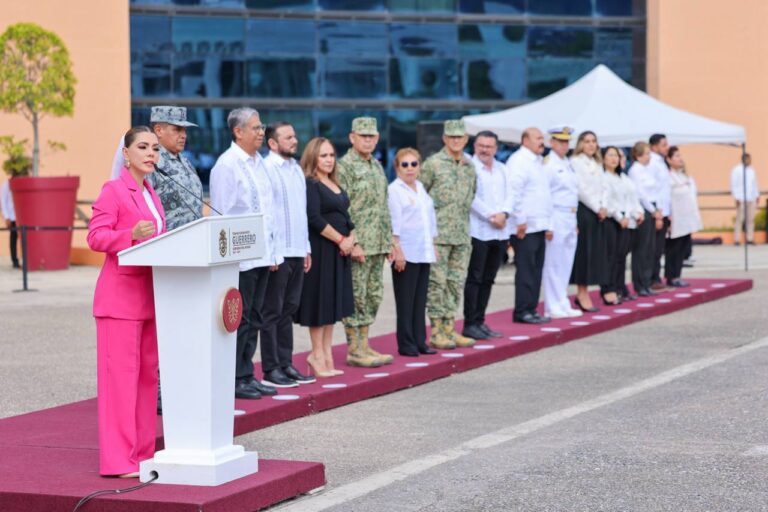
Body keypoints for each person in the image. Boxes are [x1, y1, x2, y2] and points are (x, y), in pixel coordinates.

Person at [87, 126, 165, 477]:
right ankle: (119, 461)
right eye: (144, 147)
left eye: (155, 149)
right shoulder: (114, 190)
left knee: (146, 381)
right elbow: (95, 237)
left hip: (150, 299)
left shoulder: (152, 192)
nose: (151, 154)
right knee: (120, 383)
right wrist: (128, 235)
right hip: (119, 302)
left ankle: (142, 454)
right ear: (127, 153)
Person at [209, 108, 281, 400]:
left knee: (256, 316)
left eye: (262, 127)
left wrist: (273, 253)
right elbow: (222, 214)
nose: (261, 132)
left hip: (262, 254)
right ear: (238, 132)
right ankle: (234, 378)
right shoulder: (227, 165)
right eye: (255, 128)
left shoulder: (258, 163)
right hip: (240, 259)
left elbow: (269, 212)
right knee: (239, 319)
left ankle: (247, 373)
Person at [260, 122, 315, 387]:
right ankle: (271, 369)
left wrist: (306, 247)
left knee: (289, 310)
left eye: (295, 135)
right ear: (272, 143)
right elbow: (267, 215)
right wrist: (271, 253)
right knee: (272, 310)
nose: (295, 140)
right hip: (277, 252)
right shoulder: (266, 169)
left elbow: (301, 212)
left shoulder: (296, 169)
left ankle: (286, 363)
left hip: (296, 249)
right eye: (289, 137)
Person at [337, 117, 396, 367]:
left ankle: (365, 345)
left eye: (371, 136)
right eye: (363, 136)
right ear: (352, 137)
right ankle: (354, 349)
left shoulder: (376, 166)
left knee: (373, 295)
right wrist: (354, 241)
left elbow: (383, 206)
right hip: (358, 244)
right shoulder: (344, 166)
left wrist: (390, 240)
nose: (368, 140)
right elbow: (342, 208)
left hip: (378, 243)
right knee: (357, 296)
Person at [296, 137, 355, 377]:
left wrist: (352, 238)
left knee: (332, 305)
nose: (329, 160)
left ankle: (327, 354)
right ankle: (316, 354)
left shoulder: (334, 183)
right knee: (319, 304)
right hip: (322, 250)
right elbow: (314, 218)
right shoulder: (311, 184)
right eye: (324, 156)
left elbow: (347, 216)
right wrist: (340, 240)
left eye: (331, 155)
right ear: (313, 158)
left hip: (340, 252)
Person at [420, 120, 477, 349]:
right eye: (451, 137)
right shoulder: (432, 164)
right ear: (444, 139)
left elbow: (472, 195)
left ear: (465, 140)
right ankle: (436, 331)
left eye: (460, 137)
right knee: (437, 283)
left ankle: (450, 328)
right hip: (439, 236)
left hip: (462, 234)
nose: (456, 141)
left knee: (455, 282)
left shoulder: (469, 166)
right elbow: (420, 197)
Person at [388, 148, 438, 356]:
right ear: (397, 168)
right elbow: (394, 224)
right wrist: (397, 251)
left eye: (414, 164)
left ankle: (420, 341)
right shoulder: (394, 190)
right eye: (404, 165)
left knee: (419, 300)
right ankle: (406, 343)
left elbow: (430, 219)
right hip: (405, 253)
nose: (410, 169)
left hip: (423, 250)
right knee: (406, 301)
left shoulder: (421, 187)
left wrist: (433, 244)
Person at [462, 130, 511, 338]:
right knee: (475, 278)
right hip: (478, 231)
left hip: (499, 233)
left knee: (489, 279)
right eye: (481, 145)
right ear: (475, 146)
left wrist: (505, 213)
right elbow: (470, 197)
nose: (485, 150)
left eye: (489, 146)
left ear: (496, 149)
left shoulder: (502, 169)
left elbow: (511, 194)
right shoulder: (469, 167)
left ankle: (480, 321)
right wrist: (492, 216)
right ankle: (470, 323)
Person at [507, 127, 553, 324]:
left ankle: (531, 308)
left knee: (536, 269)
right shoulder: (519, 161)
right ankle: (522, 311)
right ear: (525, 141)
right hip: (525, 226)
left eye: (542, 138)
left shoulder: (538, 161)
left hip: (539, 224)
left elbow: (544, 195)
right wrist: (520, 220)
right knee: (526, 270)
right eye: (538, 138)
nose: (542, 141)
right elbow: (514, 192)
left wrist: (548, 223)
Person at [542, 126, 581, 319]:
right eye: (561, 141)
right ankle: (552, 304)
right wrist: (548, 224)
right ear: (552, 142)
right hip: (556, 215)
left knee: (566, 262)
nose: (565, 145)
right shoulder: (548, 164)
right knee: (553, 263)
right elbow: (545, 195)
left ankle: (562, 300)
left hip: (569, 215)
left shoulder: (567, 162)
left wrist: (574, 221)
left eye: (567, 141)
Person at [146, 106, 204, 230]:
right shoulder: (150, 162)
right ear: (158, 130)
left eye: (184, 130)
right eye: (177, 130)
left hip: (195, 239)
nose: (184, 136)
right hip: (169, 241)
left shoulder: (185, 161)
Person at [602, 146, 644, 304]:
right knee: (611, 258)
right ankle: (609, 288)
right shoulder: (604, 177)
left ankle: (619, 287)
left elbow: (629, 200)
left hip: (625, 220)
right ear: (603, 158)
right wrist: (620, 217)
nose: (614, 159)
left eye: (617, 156)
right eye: (611, 155)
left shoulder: (622, 177)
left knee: (621, 258)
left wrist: (630, 215)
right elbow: (608, 201)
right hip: (613, 220)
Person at [570, 130, 606, 312]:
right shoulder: (576, 162)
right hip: (584, 210)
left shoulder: (597, 163)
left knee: (593, 254)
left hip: (598, 211)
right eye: (587, 141)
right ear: (580, 144)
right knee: (583, 254)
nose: (591, 145)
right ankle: (581, 292)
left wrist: (603, 205)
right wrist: (596, 206)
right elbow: (580, 189)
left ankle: (586, 290)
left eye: (594, 141)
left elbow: (604, 187)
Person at [665, 146, 702, 286]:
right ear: (668, 160)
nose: (680, 159)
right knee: (673, 248)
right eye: (676, 156)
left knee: (682, 248)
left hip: (686, 217)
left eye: (680, 156)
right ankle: (671, 276)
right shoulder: (668, 177)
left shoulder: (685, 176)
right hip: (675, 218)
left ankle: (677, 274)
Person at [627, 142, 659, 297]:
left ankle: (646, 282)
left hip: (651, 208)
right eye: (646, 153)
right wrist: (652, 211)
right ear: (638, 155)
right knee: (641, 249)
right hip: (643, 209)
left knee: (649, 249)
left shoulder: (646, 170)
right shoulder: (636, 170)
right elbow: (640, 194)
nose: (649, 157)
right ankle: (640, 284)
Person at [648, 133, 671, 291]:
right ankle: (651, 278)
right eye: (663, 145)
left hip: (664, 210)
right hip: (658, 211)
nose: (666, 147)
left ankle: (656, 277)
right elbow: (653, 191)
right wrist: (659, 213)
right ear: (654, 146)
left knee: (659, 248)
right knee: (654, 248)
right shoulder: (651, 163)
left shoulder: (662, 162)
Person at [730, 153, 759, 245]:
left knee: (750, 219)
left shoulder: (752, 170)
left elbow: (754, 184)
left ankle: (750, 238)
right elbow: (733, 185)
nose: (750, 161)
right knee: (740, 219)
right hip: (741, 198)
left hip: (751, 197)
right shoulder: (737, 170)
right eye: (748, 159)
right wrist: (736, 197)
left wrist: (757, 195)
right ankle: (737, 239)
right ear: (744, 159)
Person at [1, 166, 26, 269]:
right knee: (13, 239)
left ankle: (26, 260)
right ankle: (15, 262)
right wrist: (6, 217)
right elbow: (3, 202)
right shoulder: (6, 185)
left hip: (23, 216)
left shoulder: (23, 184)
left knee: (25, 239)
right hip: (12, 217)